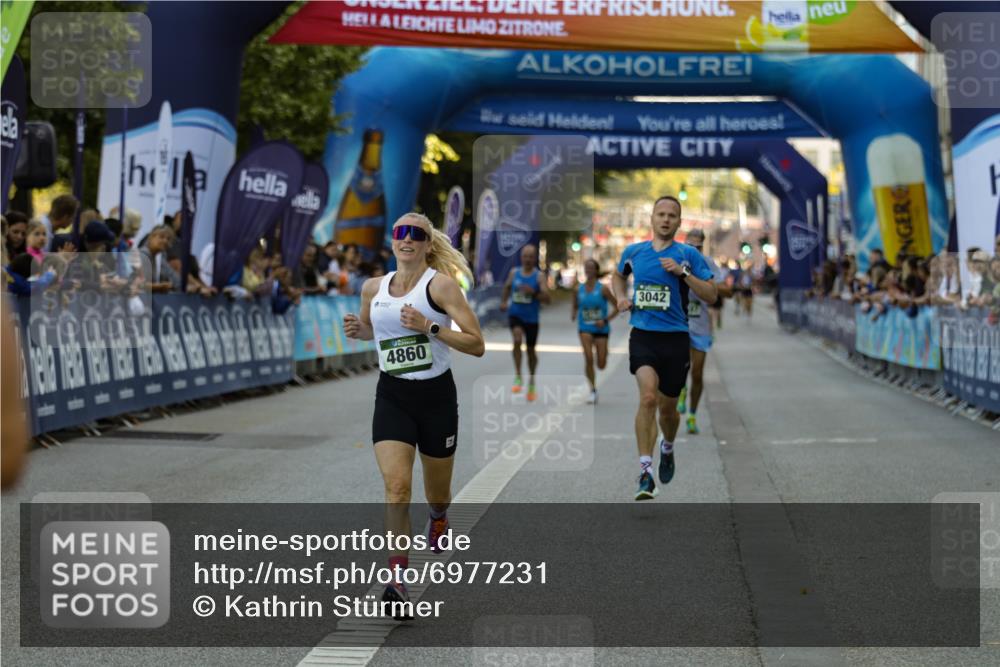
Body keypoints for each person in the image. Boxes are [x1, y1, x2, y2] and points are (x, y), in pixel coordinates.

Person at [343, 212, 484, 619]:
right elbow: (374, 329)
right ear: (393, 241)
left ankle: (439, 517)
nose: (407, 239)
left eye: (416, 234)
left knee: (436, 493)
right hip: (393, 395)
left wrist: (430, 328)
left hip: (437, 398)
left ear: (427, 242)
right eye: (401, 233)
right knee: (398, 487)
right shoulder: (373, 288)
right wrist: (360, 331)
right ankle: (397, 580)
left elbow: (476, 344)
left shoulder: (440, 286)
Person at [611, 196, 717, 501]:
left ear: (679, 222)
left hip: (676, 339)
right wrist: (620, 298)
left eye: (672, 215)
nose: (666, 219)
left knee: (668, 410)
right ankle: (646, 473)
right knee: (647, 398)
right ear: (652, 219)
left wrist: (683, 274)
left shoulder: (688, 255)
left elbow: (710, 294)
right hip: (643, 335)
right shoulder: (634, 252)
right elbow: (618, 276)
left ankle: (667, 447)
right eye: (661, 214)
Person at [675, 229, 732, 435]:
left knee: (697, 373)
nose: (694, 250)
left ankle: (692, 415)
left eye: (698, 247)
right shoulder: (676, 260)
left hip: (701, 326)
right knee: (680, 367)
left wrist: (708, 285)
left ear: (703, 246)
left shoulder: (708, 264)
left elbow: (727, 291)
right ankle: (681, 391)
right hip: (679, 324)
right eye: (690, 246)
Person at [500, 244, 550, 401]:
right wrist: (503, 301)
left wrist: (534, 292)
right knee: (516, 339)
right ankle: (518, 374)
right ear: (521, 258)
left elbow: (547, 299)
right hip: (516, 314)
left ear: (535, 258)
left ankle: (532, 380)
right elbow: (507, 287)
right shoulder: (514, 273)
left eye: (530, 256)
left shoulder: (539, 276)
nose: (527, 259)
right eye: (525, 256)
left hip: (532, 319)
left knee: (530, 351)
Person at [571, 258, 618, 404]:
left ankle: (603, 354)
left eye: (591, 268)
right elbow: (575, 304)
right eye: (586, 268)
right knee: (588, 358)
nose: (588, 270)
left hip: (601, 328)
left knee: (601, 364)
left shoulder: (602, 289)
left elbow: (617, 307)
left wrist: (605, 320)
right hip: (584, 327)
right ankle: (592, 390)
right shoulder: (578, 289)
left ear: (596, 271)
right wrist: (573, 313)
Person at [139, 225, 180, 293]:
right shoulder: (143, 255)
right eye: (161, 237)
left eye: (168, 239)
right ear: (151, 237)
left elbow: (175, 279)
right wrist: (159, 287)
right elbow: (138, 284)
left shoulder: (159, 259)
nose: (165, 241)